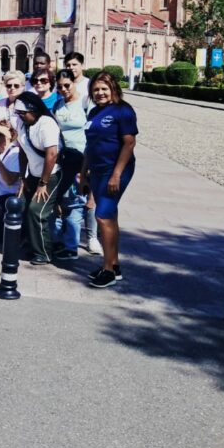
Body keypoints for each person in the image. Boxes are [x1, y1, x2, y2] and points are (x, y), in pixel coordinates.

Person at [82, 72, 138, 288]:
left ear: (113, 88)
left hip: (115, 170)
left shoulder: (123, 110)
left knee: (102, 216)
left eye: (104, 88)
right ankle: (114, 265)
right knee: (110, 217)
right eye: (96, 89)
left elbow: (129, 143)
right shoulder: (94, 112)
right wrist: (83, 173)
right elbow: (90, 145)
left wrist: (116, 174)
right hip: (96, 170)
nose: (100, 93)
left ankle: (108, 271)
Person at [13, 92, 63, 265]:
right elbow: (22, 151)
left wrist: (43, 183)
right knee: (20, 206)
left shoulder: (46, 124)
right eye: (18, 113)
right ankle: (29, 244)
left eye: (23, 113)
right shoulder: (22, 124)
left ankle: (44, 253)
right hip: (32, 175)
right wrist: (22, 177)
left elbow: (52, 154)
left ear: (33, 110)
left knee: (36, 211)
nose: (20, 116)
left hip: (51, 176)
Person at [52, 69, 89, 260]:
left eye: (67, 85)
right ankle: (58, 241)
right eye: (59, 87)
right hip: (63, 158)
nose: (64, 89)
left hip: (81, 158)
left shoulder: (85, 102)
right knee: (60, 200)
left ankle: (71, 246)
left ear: (74, 83)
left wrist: (87, 167)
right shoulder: (58, 104)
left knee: (75, 203)